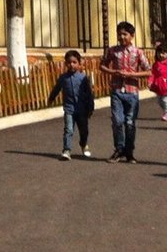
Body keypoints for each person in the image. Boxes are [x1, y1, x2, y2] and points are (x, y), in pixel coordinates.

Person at [100, 20, 151, 162]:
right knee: (117, 121)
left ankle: (129, 152)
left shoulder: (138, 52)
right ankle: (119, 149)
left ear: (132, 36)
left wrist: (132, 75)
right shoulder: (112, 51)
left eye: (125, 34)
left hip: (132, 92)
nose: (122, 37)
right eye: (119, 34)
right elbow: (102, 66)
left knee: (130, 123)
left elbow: (148, 71)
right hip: (117, 90)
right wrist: (113, 71)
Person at [47, 49, 94, 160]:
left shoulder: (83, 78)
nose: (71, 65)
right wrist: (51, 98)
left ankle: (83, 144)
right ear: (65, 63)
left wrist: (90, 107)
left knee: (84, 130)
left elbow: (89, 94)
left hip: (82, 110)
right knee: (68, 129)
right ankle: (66, 150)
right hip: (69, 109)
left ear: (79, 63)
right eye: (69, 62)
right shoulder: (63, 78)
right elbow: (56, 89)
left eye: (74, 62)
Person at [150, 42, 167, 121]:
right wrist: (150, 81)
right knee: (160, 101)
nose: (161, 55)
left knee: (164, 100)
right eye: (159, 53)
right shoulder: (156, 64)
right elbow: (152, 74)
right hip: (159, 86)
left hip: (166, 85)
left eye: (163, 53)